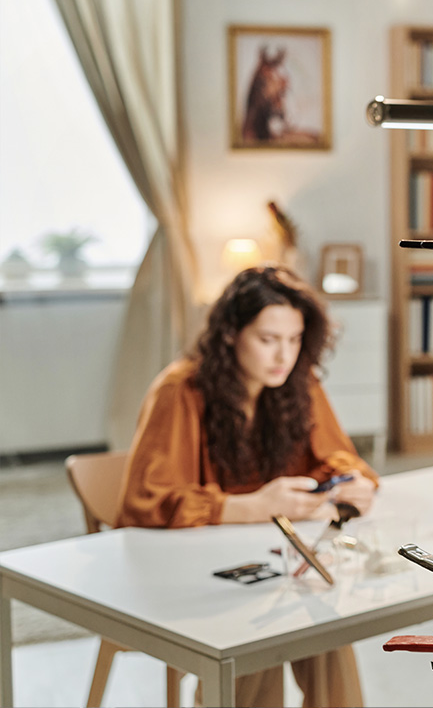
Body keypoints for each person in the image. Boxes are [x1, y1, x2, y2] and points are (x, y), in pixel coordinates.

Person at [116, 264, 380, 708]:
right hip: (194, 571)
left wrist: (352, 483)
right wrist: (250, 506)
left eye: (295, 340)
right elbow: (146, 502)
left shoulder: (298, 382)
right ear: (229, 334)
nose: (284, 355)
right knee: (263, 632)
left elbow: (338, 457)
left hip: (270, 557)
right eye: (267, 340)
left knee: (328, 629)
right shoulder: (180, 390)